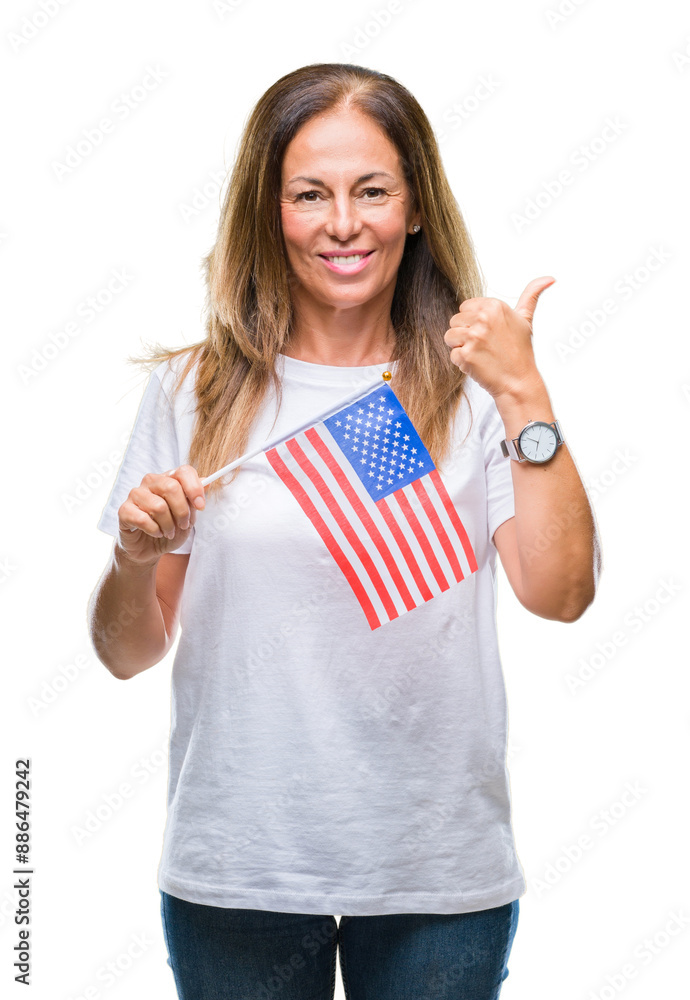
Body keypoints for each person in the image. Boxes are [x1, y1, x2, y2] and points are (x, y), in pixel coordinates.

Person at [87, 62, 601, 1000]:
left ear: (414, 206)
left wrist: (523, 391)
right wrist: (133, 556)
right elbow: (126, 654)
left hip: (437, 869)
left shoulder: (476, 392)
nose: (342, 223)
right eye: (309, 194)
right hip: (239, 865)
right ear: (267, 210)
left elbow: (560, 593)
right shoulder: (195, 391)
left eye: (372, 190)